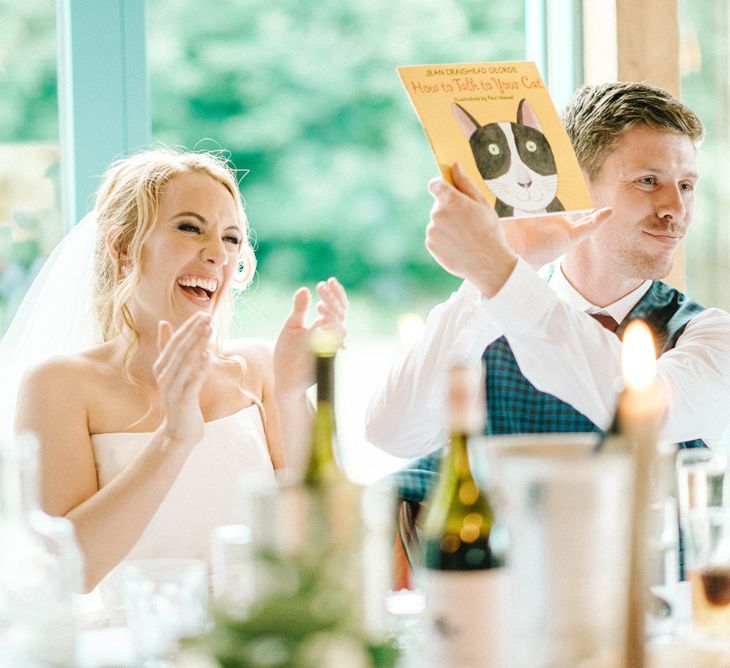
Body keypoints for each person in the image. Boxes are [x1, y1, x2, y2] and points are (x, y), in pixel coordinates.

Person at [366, 81, 730, 500]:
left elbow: (650, 410)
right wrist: (496, 275)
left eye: (686, 186)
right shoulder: (491, 312)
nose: (676, 209)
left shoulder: (711, 336)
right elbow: (392, 432)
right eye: (649, 181)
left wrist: (502, 273)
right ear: (577, 186)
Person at [10, 148, 347, 593]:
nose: (217, 256)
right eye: (190, 228)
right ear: (123, 247)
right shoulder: (59, 386)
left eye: (231, 239)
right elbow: (68, 573)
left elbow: (330, 534)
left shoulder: (261, 368)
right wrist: (174, 439)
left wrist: (291, 396)